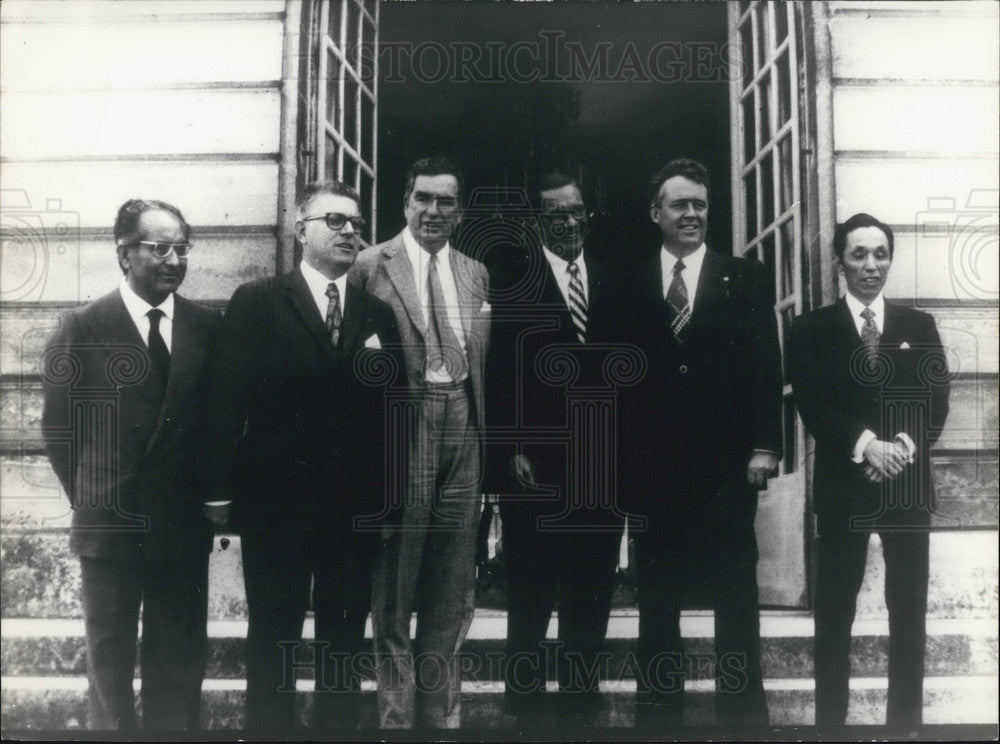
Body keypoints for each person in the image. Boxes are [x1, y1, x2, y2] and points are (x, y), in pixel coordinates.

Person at [204, 181, 401, 736]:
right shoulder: (258, 301)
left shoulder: (376, 315)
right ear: (300, 230)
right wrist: (218, 490)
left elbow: (393, 415)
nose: (349, 231)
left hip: (352, 511)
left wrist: (388, 502)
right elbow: (224, 401)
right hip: (277, 505)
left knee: (343, 639)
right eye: (335, 221)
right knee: (274, 634)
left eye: (356, 223)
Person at [612, 158, 783, 730]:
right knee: (658, 597)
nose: (691, 214)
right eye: (679, 204)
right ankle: (659, 720)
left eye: (700, 205)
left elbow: (765, 365)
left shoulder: (745, 276)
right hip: (653, 469)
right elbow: (615, 376)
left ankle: (743, 719)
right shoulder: (629, 279)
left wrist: (765, 445)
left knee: (735, 593)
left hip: (725, 467)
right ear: (655, 212)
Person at [41, 199, 219, 732]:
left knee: (179, 662)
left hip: (180, 524)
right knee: (110, 662)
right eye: (160, 248)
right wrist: (96, 494)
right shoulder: (82, 326)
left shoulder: (206, 326)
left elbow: (218, 426)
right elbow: (59, 430)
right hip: (110, 524)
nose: (174, 260)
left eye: (182, 248)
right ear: (124, 254)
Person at [789, 213, 950, 728]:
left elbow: (935, 400)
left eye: (880, 254)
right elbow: (813, 403)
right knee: (834, 612)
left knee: (909, 611)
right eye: (858, 254)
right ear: (839, 262)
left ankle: (904, 726)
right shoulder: (812, 328)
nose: (871, 265)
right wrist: (866, 446)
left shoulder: (918, 326)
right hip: (845, 485)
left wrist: (899, 448)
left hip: (906, 486)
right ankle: (830, 729)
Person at [351, 156, 490, 729]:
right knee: (395, 584)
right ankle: (396, 719)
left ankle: (442, 718)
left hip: (464, 420)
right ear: (405, 203)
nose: (434, 211)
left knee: (453, 586)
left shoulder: (475, 272)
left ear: (460, 211)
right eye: (423, 199)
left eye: (446, 201)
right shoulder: (368, 265)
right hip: (404, 426)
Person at [486, 172, 625, 726]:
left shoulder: (615, 274)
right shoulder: (512, 282)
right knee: (531, 589)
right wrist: (512, 445)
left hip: (603, 463)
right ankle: (522, 709)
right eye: (555, 216)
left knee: (592, 587)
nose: (569, 223)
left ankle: (580, 704)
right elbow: (498, 373)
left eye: (576, 212)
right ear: (536, 222)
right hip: (537, 465)